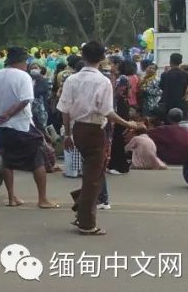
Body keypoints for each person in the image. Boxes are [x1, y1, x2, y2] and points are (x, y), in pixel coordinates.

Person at [58, 41, 144, 235]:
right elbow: (107, 112)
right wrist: (129, 124)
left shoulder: (72, 79)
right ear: (103, 58)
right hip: (94, 129)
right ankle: (87, 223)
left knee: (93, 175)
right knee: (93, 178)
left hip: (77, 128)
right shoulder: (103, 81)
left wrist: (67, 133)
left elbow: (64, 109)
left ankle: (82, 210)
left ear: (83, 56)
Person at [0, 47, 57, 209]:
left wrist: (1, 114)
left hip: (1, 125)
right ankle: (42, 199)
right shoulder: (23, 76)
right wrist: (8, 113)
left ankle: (12, 197)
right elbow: (26, 99)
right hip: (21, 124)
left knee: (7, 161)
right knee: (37, 159)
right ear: (21, 61)